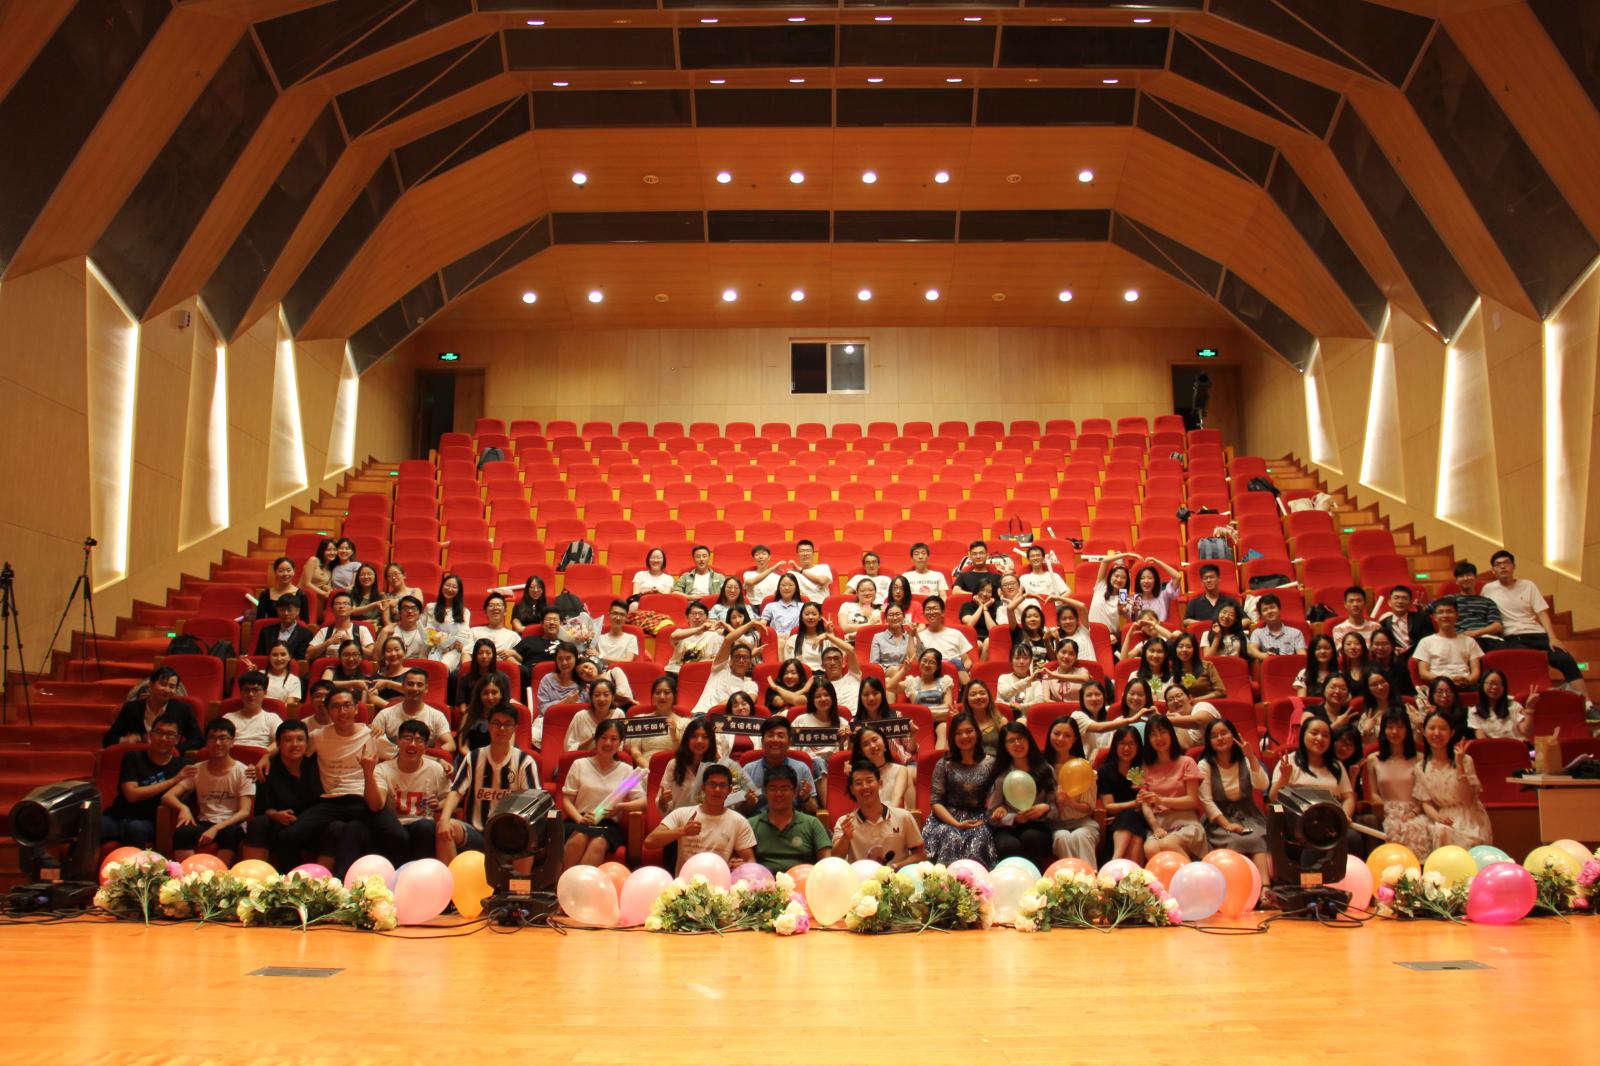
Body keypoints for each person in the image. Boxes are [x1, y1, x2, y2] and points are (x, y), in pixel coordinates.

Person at [283, 691, 408, 878]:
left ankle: (397, 880)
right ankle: (290, 883)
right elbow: (291, 748)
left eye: (347, 705)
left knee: (400, 836)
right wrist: (265, 757)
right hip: (331, 801)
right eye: (335, 706)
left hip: (363, 799)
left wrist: (440, 761)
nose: (342, 711)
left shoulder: (372, 735)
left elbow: (403, 756)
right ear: (328, 711)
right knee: (290, 836)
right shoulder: (318, 736)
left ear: (356, 708)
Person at [437, 702, 540, 865]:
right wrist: (444, 819)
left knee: (529, 834)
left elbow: (534, 801)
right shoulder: (474, 757)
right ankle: (451, 879)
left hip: (511, 837)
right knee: (445, 827)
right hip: (477, 833)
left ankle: (518, 882)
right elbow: (456, 792)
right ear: (489, 726)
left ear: (515, 728)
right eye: (497, 723)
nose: (501, 729)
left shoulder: (524, 762)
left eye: (507, 724)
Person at [1481, 550, 1588, 703]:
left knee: (1565, 658)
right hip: (1513, 637)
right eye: (1498, 565)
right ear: (1493, 570)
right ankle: (1546, 694)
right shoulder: (1488, 589)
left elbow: (1542, 613)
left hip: (1537, 633)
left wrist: (1552, 637)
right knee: (1528, 661)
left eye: (1506, 563)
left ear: (1513, 566)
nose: (1503, 567)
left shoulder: (1528, 585)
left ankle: (1587, 703)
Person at [164, 718, 254, 865]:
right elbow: (168, 796)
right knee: (182, 832)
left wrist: (217, 828)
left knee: (230, 833)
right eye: (212, 738)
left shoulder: (244, 772)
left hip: (231, 823)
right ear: (206, 742)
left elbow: (244, 811)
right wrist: (183, 808)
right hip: (205, 822)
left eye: (223, 738)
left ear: (232, 741)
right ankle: (188, 875)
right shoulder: (197, 769)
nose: (217, 743)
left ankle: (220, 876)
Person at [241, 719, 327, 871]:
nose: (295, 744)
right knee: (258, 823)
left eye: (300, 739)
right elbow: (262, 807)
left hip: (310, 824)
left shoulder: (317, 763)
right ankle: (253, 875)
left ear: (307, 743)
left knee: (335, 827)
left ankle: (322, 880)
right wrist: (276, 815)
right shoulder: (268, 768)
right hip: (279, 823)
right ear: (278, 744)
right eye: (288, 740)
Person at [100, 712, 194, 848]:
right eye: (159, 732)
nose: (163, 738)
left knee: (135, 829)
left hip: (150, 821)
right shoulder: (133, 757)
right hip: (118, 816)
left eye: (170, 734)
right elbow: (132, 795)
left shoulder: (183, 765)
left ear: (177, 739)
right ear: (150, 735)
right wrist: (174, 780)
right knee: (93, 826)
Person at [560, 718, 644, 869]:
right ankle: (562, 881)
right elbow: (566, 800)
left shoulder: (626, 771)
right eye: (603, 738)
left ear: (620, 743)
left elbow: (644, 801)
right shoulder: (579, 765)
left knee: (598, 843)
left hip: (607, 824)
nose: (608, 743)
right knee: (579, 838)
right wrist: (580, 819)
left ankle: (582, 883)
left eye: (614, 739)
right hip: (579, 819)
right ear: (596, 739)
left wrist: (620, 807)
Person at [646, 763, 757, 874]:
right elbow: (650, 842)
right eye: (712, 784)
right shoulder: (682, 813)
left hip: (719, 881)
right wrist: (683, 831)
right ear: (703, 788)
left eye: (722, 785)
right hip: (685, 882)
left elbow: (750, 860)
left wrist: (742, 865)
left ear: (729, 790)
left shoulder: (739, 821)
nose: (717, 789)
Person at [1197, 718, 1270, 882]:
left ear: (1233, 735)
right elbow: (1207, 802)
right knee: (1235, 840)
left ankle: (1265, 887)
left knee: (1257, 838)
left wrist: (1252, 758)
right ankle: (1237, 887)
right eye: (1214, 736)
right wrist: (1227, 825)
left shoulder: (1245, 759)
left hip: (1249, 815)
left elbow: (1263, 784)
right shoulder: (1204, 765)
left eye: (1224, 733)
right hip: (1219, 819)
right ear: (1209, 741)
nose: (1220, 738)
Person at [920, 712, 996, 867]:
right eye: (958, 733)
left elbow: (996, 795)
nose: (964, 736)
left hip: (977, 816)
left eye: (969, 731)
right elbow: (936, 802)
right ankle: (944, 880)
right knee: (951, 837)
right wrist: (956, 823)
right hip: (946, 818)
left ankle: (974, 880)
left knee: (978, 839)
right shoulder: (944, 764)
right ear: (952, 737)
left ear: (977, 733)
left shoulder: (990, 763)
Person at [1414, 710, 1493, 849]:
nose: (1437, 733)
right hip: (1442, 820)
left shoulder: (1465, 760)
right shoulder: (1420, 767)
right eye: (1432, 728)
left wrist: (1460, 766)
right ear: (1424, 732)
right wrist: (1437, 817)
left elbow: (1468, 800)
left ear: (1451, 733)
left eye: (1443, 728)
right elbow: (1426, 802)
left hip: (1469, 818)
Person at [375, 719, 450, 861]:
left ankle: (419, 870)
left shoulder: (436, 769)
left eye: (419, 740)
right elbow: (376, 804)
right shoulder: (383, 769)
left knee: (426, 826)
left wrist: (438, 805)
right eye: (407, 738)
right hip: (393, 826)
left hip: (421, 824)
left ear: (426, 746)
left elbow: (449, 797)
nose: (412, 744)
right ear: (398, 741)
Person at [1363, 708, 1433, 858]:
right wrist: (1386, 811)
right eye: (1390, 727)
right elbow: (1374, 793)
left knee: (1417, 828)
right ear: (1383, 730)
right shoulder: (1373, 760)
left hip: (1415, 811)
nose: (1395, 731)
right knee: (1390, 830)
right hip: (1387, 811)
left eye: (1400, 727)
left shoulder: (1419, 758)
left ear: (1407, 730)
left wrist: (1413, 813)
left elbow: (1424, 794)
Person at [983, 723, 1054, 867]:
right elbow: (991, 815)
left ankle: (1035, 878)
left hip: (1038, 825)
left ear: (1028, 740)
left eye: (1021, 738)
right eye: (1011, 740)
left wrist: (1046, 808)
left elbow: (1057, 808)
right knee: (1008, 845)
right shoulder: (1002, 775)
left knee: (1031, 837)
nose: (1017, 743)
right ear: (1005, 746)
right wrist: (1013, 818)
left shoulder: (1046, 770)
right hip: (1008, 827)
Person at [833, 760, 926, 868]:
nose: (865, 787)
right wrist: (845, 838)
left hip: (896, 876)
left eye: (869, 781)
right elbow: (836, 859)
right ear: (852, 790)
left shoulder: (903, 817)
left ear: (880, 784)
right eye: (858, 783)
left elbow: (920, 855)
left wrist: (898, 866)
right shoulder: (844, 823)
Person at [1138, 715, 1206, 859]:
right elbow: (1145, 804)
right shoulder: (1146, 767)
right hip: (1160, 824)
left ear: (1171, 734)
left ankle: (1191, 874)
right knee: (1150, 848)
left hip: (1186, 821)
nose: (1159, 738)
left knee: (1168, 844)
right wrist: (1155, 827)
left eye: (1163, 732)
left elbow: (1192, 800)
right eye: (1153, 734)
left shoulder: (1187, 762)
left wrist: (1161, 800)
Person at [1269, 717, 1356, 829]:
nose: (1320, 738)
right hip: (1298, 823)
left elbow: (1348, 798)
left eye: (1325, 735)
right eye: (1314, 733)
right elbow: (1273, 798)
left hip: (1331, 823)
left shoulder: (1336, 766)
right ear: (1303, 735)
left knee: (1353, 837)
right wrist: (1284, 778)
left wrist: (1343, 816)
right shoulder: (1288, 761)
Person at [657, 716, 750, 816]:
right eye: (694, 736)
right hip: (681, 820)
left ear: (711, 741)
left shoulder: (720, 766)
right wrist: (662, 801)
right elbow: (664, 804)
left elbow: (735, 801)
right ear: (687, 739)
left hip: (713, 820)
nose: (699, 741)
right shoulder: (674, 765)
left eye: (705, 737)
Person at [747, 763, 832, 874]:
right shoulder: (751, 825)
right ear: (765, 792)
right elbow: (745, 863)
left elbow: (826, 860)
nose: (778, 794)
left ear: (795, 792)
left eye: (785, 788)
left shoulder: (812, 823)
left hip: (804, 881)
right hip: (763, 882)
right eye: (773, 788)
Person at [1040, 715, 1099, 863]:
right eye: (1057, 733)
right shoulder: (1041, 767)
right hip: (1054, 826)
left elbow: (1089, 807)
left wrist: (1069, 802)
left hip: (1082, 822)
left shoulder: (1083, 767)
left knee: (1081, 835)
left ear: (1075, 739)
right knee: (1062, 837)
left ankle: (1090, 875)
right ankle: (1068, 876)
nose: (1061, 739)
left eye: (1067, 735)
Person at [103, 666, 201, 750]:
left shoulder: (182, 709)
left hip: (168, 760)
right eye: (163, 684)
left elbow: (198, 740)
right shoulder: (131, 708)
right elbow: (108, 740)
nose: (167, 690)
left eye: (172, 687)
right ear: (150, 684)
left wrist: (172, 748)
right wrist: (125, 740)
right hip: (137, 758)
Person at [739, 718, 818, 815]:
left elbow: (813, 809)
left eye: (780, 736)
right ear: (762, 741)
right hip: (757, 821)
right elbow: (738, 812)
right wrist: (749, 804)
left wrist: (806, 798)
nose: (775, 740)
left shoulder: (801, 769)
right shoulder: (748, 770)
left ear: (789, 742)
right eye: (770, 735)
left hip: (792, 820)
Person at [1097, 725, 1149, 865]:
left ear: (1138, 746)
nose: (1127, 748)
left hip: (1141, 819)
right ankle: (1135, 873)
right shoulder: (1105, 771)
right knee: (1135, 836)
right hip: (1116, 824)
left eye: (1131, 744)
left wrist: (1133, 808)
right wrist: (1133, 804)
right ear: (1115, 745)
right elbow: (1109, 807)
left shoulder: (1141, 769)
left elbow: (1146, 801)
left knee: (1130, 818)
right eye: (1122, 744)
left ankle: (1115, 861)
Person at [371, 667, 454, 751]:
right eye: (410, 684)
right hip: (393, 757)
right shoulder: (385, 714)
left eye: (419, 685)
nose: (415, 689)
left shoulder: (437, 716)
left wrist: (422, 754)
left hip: (424, 757)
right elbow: (371, 740)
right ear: (403, 686)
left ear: (426, 689)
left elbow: (450, 744)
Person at [689, 621, 761, 714]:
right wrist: (750, 624)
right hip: (702, 714)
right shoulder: (720, 668)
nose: (741, 660)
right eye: (737, 657)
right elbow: (728, 640)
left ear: (750, 664)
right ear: (730, 661)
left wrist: (721, 706)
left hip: (727, 719)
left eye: (745, 657)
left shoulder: (750, 684)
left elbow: (749, 702)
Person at [1412, 600, 1484, 687]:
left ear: (1457, 616)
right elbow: (1423, 672)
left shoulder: (1469, 641)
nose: (1445, 615)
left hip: (1465, 684)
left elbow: (1476, 671)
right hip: (1439, 685)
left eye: (1449, 611)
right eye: (1441, 612)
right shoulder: (1425, 642)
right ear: (1434, 617)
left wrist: (1467, 681)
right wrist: (1447, 681)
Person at [1436, 561, 1504, 650]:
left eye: (1469, 575)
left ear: (1475, 578)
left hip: (1487, 639)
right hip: (1461, 640)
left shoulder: (1487, 602)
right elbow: (1426, 610)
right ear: (1456, 581)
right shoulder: (1448, 600)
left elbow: (1497, 626)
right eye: (1461, 576)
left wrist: (1475, 633)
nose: (1465, 578)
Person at [1073, 679, 1145, 760]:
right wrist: (1130, 720)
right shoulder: (1077, 716)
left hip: (1109, 762)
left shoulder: (1111, 711)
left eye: (1097, 694)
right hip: (1083, 762)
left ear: (1104, 697)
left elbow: (1131, 705)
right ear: (1082, 699)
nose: (1094, 698)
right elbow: (1099, 728)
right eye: (1089, 695)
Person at [850, 724, 913, 809]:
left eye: (875, 740)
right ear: (861, 752)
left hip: (893, 815)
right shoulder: (860, 774)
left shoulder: (900, 770)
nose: (872, 746)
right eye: (866, 744)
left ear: (884, 741)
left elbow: (897, 800)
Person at [917, 596, 974, 683]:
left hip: (954, 679)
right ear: (924, 613)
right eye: (928, 609)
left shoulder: (955, 634)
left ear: (943, 613)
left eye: (935, 609)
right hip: (929, 679)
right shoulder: (918, 637)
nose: (931, 612)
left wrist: (956, 671)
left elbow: (967, 661)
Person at [307, 590, 375, 662]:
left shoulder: (361, 630)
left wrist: (351, 642)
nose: (341, 606)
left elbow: (372, 655)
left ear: (352, 609)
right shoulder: (324, 631)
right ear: (332, 609)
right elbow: (308, 655)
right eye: (337, 604)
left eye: (345, 603)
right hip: (330, 666)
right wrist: (328, 642)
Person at [424, 572, 472, 673]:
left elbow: (464, 634)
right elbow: (426, 631)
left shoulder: (464, 612)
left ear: (459, 591)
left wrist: (449, 645)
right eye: (447, 585)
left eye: (454, 587)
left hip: (454, 650)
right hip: (435, 647)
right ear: (442, 586)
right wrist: (440, 640)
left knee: (442, 669)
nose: (450, 589)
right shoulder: (431, 607)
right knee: (431, 669)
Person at [563, 677, 626, 751]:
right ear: (591, 697)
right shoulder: (580, 716)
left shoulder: (619, 715)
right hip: (584, 757)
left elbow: (621, 746)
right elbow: (568, 747)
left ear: (613, 697)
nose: (601, 699)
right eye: (597, 695)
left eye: (606, 695)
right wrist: (591, 739)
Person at [224, 671, 282, 749]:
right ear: (240, 692)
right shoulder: (228, 718)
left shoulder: (272, 718)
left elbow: (280, 741)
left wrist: (265, 754)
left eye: (256, 690)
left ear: (265, 693)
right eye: (246, 690)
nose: (250, 694)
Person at [1468, 668, 1529, 740]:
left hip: (1517, 745)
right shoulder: (1474, 711)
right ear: (1482, 685)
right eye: (1491, 683)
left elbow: (1526, 731)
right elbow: (1482, 740)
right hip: (1491, 747)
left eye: (1499, 684)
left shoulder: (1514, 706)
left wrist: (1530, 709)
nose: (1495, 687)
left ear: (1504, 688)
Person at [1377, 585, 1432, 662]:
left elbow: (1429, 640)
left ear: (1410, 603)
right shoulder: (1384, 622)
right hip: (1397, 660)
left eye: (1405, 598)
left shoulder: (1421, 618)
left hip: (1420, 658)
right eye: (1396, 598)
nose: (1400, 601)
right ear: (1389, 602)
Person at [1157, 684, 1219, 752]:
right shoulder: (1171, 723)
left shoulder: (1202, 706)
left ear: (1190, 698)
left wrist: (1163, 719)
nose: (1175, 701)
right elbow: (1184, 744)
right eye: (1170, 699)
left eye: (1179, 696)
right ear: (1168, 707)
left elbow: (1199, 721)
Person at [666, 600, 724, 673]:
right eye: (693, 614)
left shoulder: (714, 635)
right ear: (687, 617)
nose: (697, 617)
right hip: (677, 672)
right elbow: (673, 636)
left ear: (707, 617)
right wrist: (699, 629)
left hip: (702, 672)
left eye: (701, 614)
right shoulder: (681, 632)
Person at [1246, 593, 1305, 661]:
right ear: (1261, 616)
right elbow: (1251, 650)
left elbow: (1302, 656)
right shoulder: (1257, 633)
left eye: (1272, 607)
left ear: (1279, 610)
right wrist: (1265, 656)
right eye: (1265, 610)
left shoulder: (1296, 633)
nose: (1269, 611)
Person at [470, 592, 522, 668]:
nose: (495, 608)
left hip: (503, 670)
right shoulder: (474, 631)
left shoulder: (513, 636)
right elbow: (467, 654)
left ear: (505, 611)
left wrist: (513, 653)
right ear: (485, 612)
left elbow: (521, 660)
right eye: (491, 605)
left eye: (499, 605)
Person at [1354, 669, 1404, 747]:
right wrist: (1366, 732)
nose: (1380, 687)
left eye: (1382, 682)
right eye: (1374, 685)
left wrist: (1419, 726)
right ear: (1368, 689)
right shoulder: (1367, 716)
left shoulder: (1406, 709)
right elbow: (1364, 749)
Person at [253, 594, 312, 659]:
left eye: (289, 610)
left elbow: (301, 659)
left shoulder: (306, 634)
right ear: (277, 611)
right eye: (282, 610)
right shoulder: (266, 631)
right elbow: (259, 655)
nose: (286, 613)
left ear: (297, 611)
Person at [1170, 632, 1224, 700]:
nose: (1184, 650)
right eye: (1180, 646)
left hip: (1206, 703)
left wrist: (1197, 700)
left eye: (1188, 647)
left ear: (1195, 649)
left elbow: (1221, 691)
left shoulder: (1207, 666)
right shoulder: (1173, 670)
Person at [365, 636, 412, 710]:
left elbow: (413, 690)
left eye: (397, 649)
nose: (393, 654)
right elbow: (371, 697)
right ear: (384, 655)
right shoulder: (377, 677)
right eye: (388, 651)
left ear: (404, 651)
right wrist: (394, 709)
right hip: (386, 714)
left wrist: (388, 683)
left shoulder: (413, 673)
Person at [997, 644, 1048, 712]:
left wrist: (1018, 706)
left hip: (1028, 717)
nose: (1021, 661)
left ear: (1030, 661)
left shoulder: (1035, 681)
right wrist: (1028, 681)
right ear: (1011, 661)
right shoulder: (1003, 678)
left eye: (1025, 658)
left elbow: (1039, 701)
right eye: (1017, 658)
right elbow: (1004, 694)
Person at [958, 578, 1001, 659]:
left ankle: (981, 667)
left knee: (988, 642)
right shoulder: (967, 605)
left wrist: (985, 609)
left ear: (993, 595)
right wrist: (981, 606)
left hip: (990, 639)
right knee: (978, 644)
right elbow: (970, 624)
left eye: (989, 592)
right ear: (976, 591)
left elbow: (993, 630)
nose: (984, 594)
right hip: (971, 638)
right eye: (982, 590)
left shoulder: (997, 607)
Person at [376, 595, 428, 660]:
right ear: (399, 613)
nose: (410, 611)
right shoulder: (388, 630)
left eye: (414, 608)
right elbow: (376, 657)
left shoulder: (425, 633)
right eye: (406, 608)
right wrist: (384, 633)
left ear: (419, 614)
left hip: (416, 665)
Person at [1041, 639, 1093, 704]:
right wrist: (1061, 707)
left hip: (1081, 708)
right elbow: (1046, 699)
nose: (1066, 656)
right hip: (1058, 709)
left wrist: (1055, 676)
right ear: (1056, 654)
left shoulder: (1081, 671)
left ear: (1076, 658)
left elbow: (1085, 679)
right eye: (1063, 652)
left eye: (1071, 654)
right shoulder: (1047, 677)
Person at [320, 640, 372, 704]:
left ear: (361, 657)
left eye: (355, 655)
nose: (351, 659)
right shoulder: (331, 670)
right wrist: (353, 683)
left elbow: (363, 705)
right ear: (340, 657)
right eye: (346, 655)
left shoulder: (365, 677)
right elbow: (323, 685)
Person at [870, 602, 914, 669]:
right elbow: (874, 664)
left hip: (906, 671)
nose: (895, 618)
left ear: (904, 616)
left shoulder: (910, 637)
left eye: (898, 614)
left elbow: (914, 660)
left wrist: (913, 636)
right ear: (886, 618)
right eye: (891, 615)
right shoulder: (878, 637)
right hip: (885, 672)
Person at [377, 563, 423, 628]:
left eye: (396, 574)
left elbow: (417, 610)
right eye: (389, 576)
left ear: (404, 575)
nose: (393, 577)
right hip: (395, 629)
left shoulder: (416, 591)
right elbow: (387, 622)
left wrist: (397, 601)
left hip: (414, 627)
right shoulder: (386, 597)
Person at [789, 539, 833, 604]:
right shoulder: (792, 573)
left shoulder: (824, 567)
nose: (805, 554)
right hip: (802, 606)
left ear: (813, 554)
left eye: (808, 551)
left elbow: (822, 581)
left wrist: (800, 570)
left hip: (821, 604)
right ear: (797, 555)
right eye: (802, 551)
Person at [791, 602, 830, 669]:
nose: (810, 617)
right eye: (807, 614)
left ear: (820, 617)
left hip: (823, 673)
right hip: (802, 674)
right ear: (801, 617)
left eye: (814, 614)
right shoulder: (793, 640)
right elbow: (789, 665)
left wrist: (830, 634)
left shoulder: (827, 639)